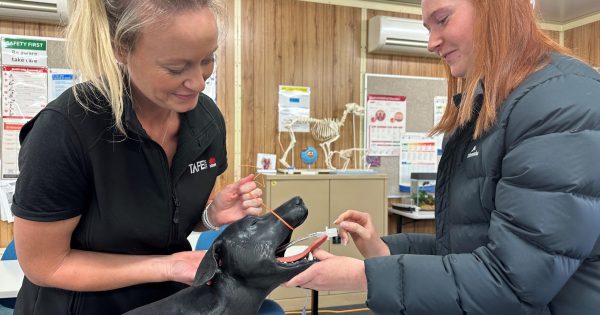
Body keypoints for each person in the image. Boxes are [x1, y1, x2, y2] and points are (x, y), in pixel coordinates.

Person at [285, 0, 600, 314]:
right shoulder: (484, 105)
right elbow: (464, 248)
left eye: (442, 19)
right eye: (427, 28)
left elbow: (511, 280)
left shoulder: (560, 101)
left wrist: (363, 277)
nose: (432, 42)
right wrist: (380, 249)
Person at [11, 0, 263, 314]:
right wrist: (168, 267)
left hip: (168, 303)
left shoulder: (205, 120)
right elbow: (46, 265)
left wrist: (210, 215)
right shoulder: (65, 129)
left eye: (207, 60)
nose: (199, 82)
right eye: (175, 68)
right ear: (121, 50)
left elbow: (164, 221)